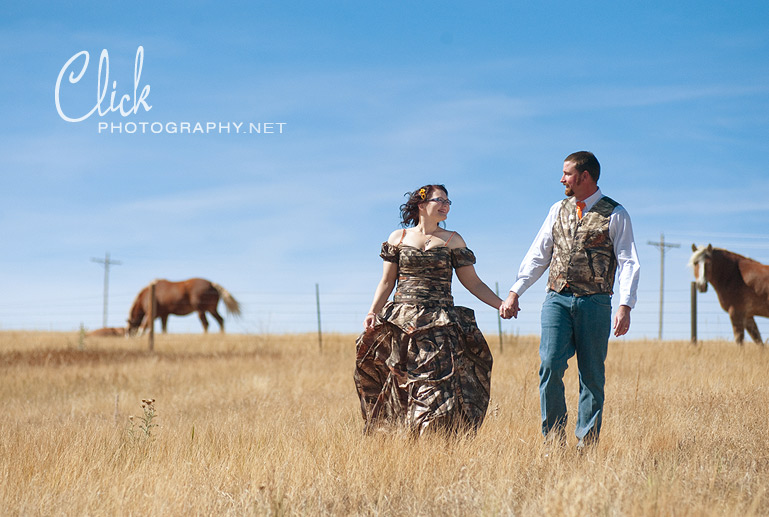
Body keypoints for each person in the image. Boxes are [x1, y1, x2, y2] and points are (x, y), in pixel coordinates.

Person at [499, 151, 640, 450]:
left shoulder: (616, 214)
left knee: (591, 375)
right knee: (549, 365)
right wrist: (515, 292)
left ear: (584, 176)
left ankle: (586, 446)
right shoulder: (556, 210)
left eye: (567, 173)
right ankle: (554, 442)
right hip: (556, 299)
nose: (561, 179)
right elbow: (539, 255)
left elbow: (628, 262)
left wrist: (625, 306)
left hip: (595, 302)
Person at [354, 184, 503, 436]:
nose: (445, 205)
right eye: (440, 200)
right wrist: (372, 312)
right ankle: (401, 441)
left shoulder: (453, 240)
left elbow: (473, 282)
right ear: (422, 205)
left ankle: (434, 440)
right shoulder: (398, 238)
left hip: (439, 323)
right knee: (397, 382)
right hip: (401, 321)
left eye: (448, 202)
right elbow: (387, 282)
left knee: (437, 386)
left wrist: (501, 305)